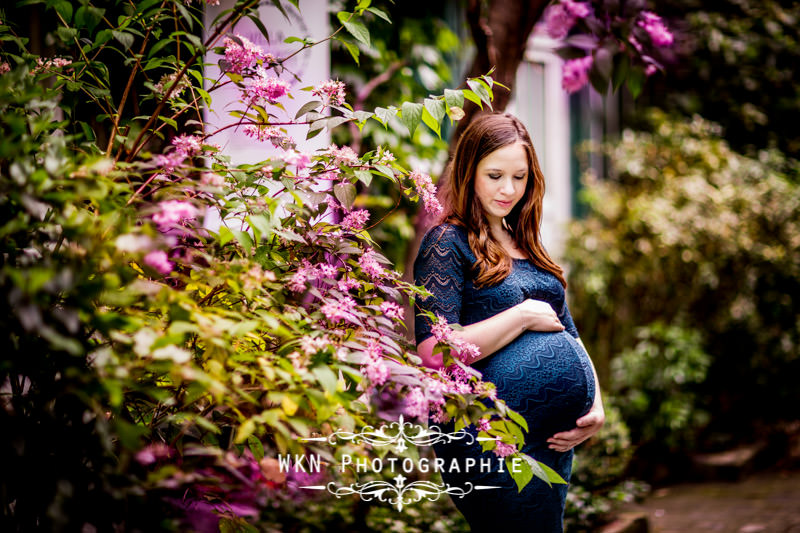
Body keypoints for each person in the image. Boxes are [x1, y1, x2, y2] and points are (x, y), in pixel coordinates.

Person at [413, 113, 605, 532]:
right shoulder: (447, 243)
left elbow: (567, 331)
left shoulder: (526, 243)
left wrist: (596, 403)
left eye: (519, 177)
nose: (508, 189)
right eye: (495, 175)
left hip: (551, 441)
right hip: (488, 439)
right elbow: (432, 352)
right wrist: (519, 317)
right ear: (468, 172)